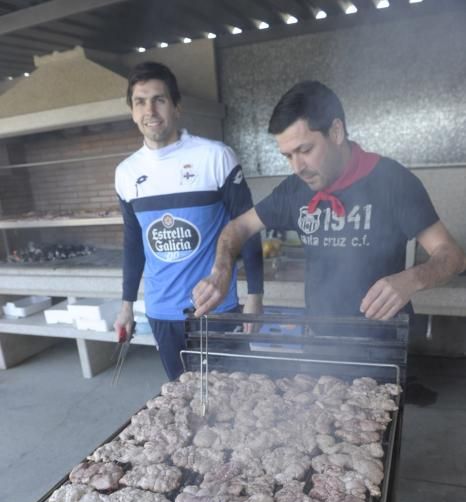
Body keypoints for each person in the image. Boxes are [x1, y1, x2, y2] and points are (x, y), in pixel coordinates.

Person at [192, 80, 465, 324]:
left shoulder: (392, 180)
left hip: (385, 344)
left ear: (336, 132)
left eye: (305, 150)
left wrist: (412, 280)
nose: (297, 167)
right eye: (287, 156)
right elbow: (237, 228)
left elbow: (452, 256)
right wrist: (221, 270)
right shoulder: (294, 190)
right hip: (318, 347)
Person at [114, 61, 263, 380]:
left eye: (159, 99)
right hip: (162, 313)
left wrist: (255, 297)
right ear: (131, 111)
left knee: (236, 396)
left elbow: (247, 227)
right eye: (140, 101)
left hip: (217, 308)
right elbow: (133, 242)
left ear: (176, 106)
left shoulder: (215, 157)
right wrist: (127, 304)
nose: (149, 110)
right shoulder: (126, 173)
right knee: (183, 399)